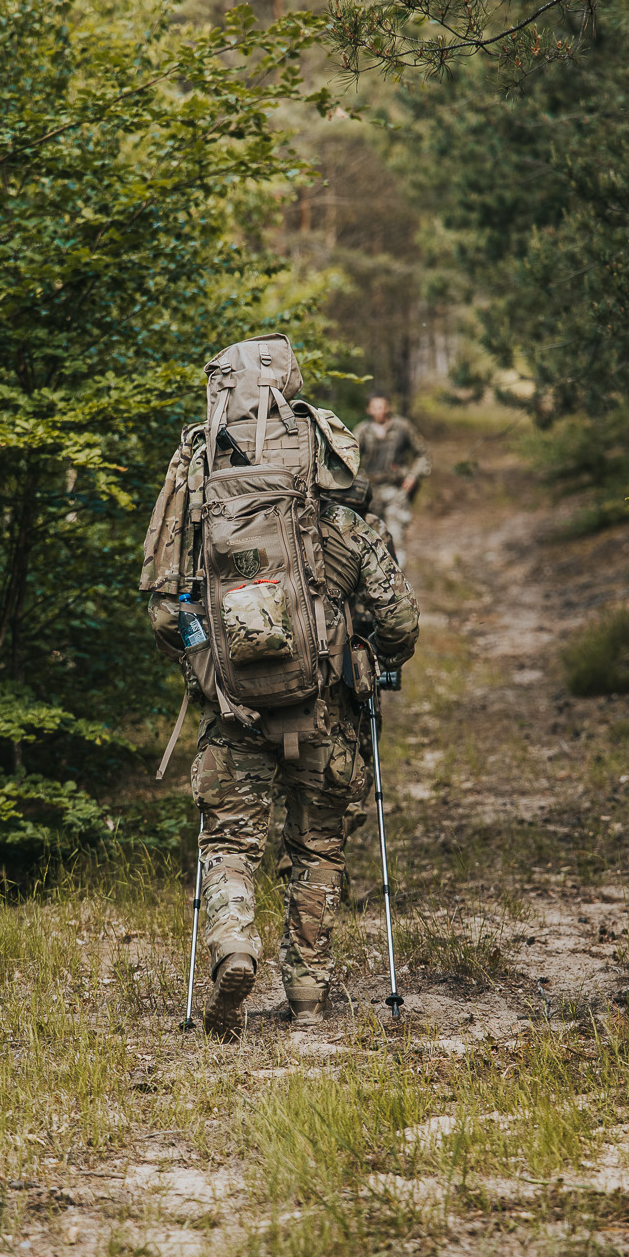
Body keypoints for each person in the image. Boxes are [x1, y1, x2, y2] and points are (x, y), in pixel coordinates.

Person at [144, 403, 419, 1041]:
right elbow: (400, 620)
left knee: (231, 846)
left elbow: (166, 615)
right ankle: (306, 998)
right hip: (328, 718)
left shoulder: (203, 524)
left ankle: (236, 949)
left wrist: (207, 659)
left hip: (234, 714)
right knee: (317, 849)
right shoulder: (345, 526)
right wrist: (377, 658)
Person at [352, 394, 430, 563]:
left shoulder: (402, 427)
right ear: (369, 410)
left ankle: (398, 577)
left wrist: (413, 475)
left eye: (382, 407)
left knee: (396, 535)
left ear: (388, 408)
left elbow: (422, 454)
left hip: (396, 489)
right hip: (370, 493)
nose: (379, 411)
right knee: (369, 536)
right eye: (375, 407)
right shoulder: (363, 430)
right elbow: (349, 457)